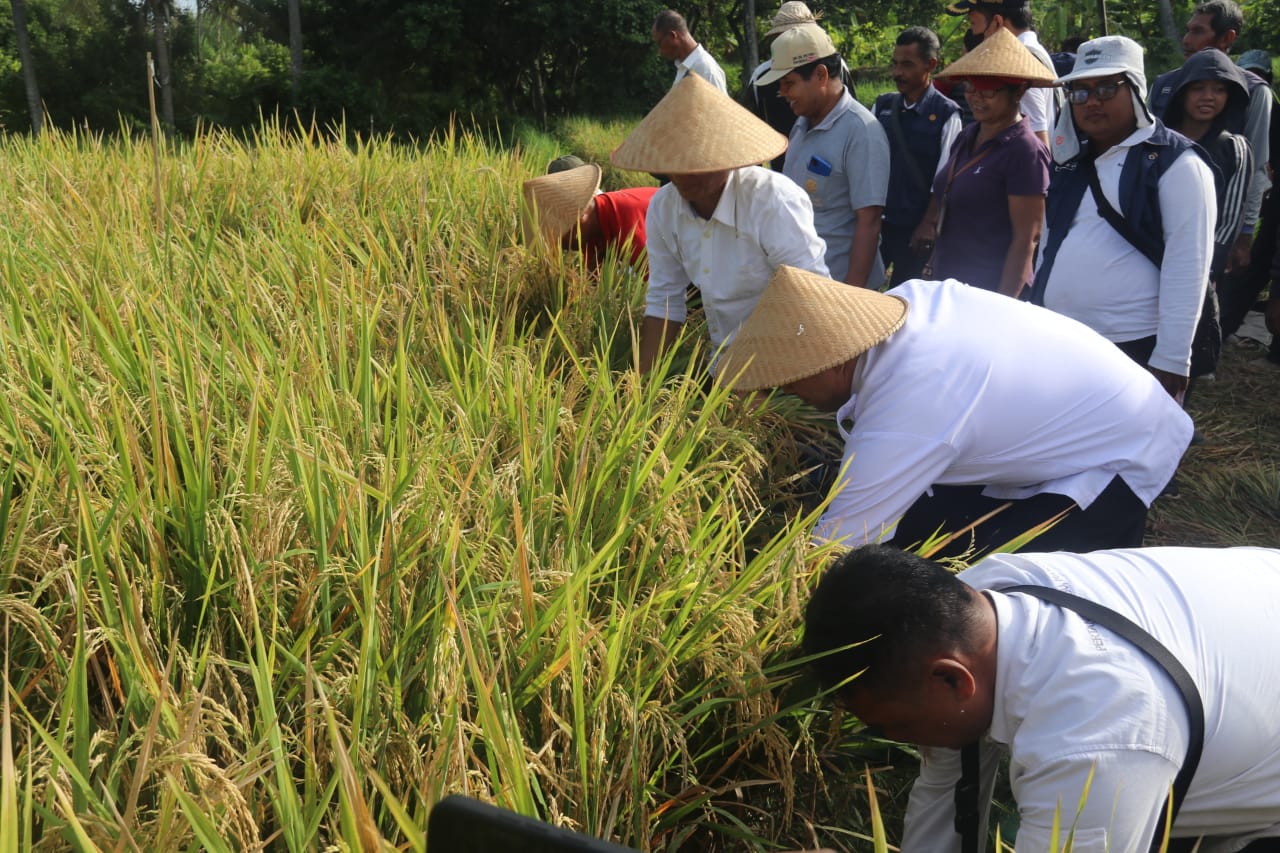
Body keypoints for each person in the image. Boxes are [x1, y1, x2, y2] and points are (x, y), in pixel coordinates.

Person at [802, 544, 1280, 852]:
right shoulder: (986, 596)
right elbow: (947, 791)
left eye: (894, 726)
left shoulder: (1094, 740)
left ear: (951, 680)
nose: (894, 738)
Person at [716, 266, 1191, 555]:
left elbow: (835, 546)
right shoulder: (905, 302)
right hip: (1090, 410)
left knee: (984, 586)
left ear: (831, 358)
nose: (787, 392)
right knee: (916, 525)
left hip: (1119, 455)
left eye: (789, 378)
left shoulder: (914, 401)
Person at [1033, 35, 1216, 400]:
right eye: (1080, 92)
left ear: (1134, 89)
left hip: (1134, 345)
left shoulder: (1177, 164)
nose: (1092, 102)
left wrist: (1172, 358)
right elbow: (1050, 241)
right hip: (1061, 338)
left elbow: (1189, 265)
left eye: (1106, 88)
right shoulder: (1071, 162)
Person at [609, 74, 829, 374]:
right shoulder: (664, 208)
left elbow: (810, 299)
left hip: (792, 365)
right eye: (677, 163)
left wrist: (777, 381)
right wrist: (640, 387)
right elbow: (665, 298)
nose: (687, 174)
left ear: (730, 157)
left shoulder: (772, 200)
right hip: (724, 364)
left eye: (702, 162)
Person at [912, 27, 1052, 297]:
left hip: (988, 292)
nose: (976, 98)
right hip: (949, 284)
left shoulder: (1025, 151)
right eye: (970, 88)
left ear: (1018, 92)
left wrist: (1001, 306)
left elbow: (1027, 240)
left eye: (988, 92)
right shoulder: (967, 135)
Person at [756, 24, 891, 287]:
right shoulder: (802, 123)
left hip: (838, 286)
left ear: (820, 75)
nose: (783, 94)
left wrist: (851, 296)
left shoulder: (861, 131)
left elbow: (870, 220)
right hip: (802, 282)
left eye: (789, 84)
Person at [1149, 0, 1272, 275]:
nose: (1187, 40)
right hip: (1156, 219)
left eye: (1198, 31)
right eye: (1188, 30)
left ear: (1227, 37)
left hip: (1216, 226)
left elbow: (1256, 167)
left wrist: (1243, 234)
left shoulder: (1253, 91)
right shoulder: (1165, 84)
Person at [1161, 49, 1253, 381]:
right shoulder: (1158, 139)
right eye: (1199, 88)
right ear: (1183, 90)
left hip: (1197, 264)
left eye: (1219, 89)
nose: (1208, 97)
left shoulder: (1234, 148)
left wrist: (1207, 271)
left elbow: (1228, 219)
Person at [874, 27, 963, 286]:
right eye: (895, 64)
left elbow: (946, 178)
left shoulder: (947, 114)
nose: (897, 72)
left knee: (906, 299)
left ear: (930, 65)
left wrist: (928, 223)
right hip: (878, 224)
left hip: (916, 229)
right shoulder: (882, 106)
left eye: (907, 65)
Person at [1219, 49, 1280, 364]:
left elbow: (1258, 168)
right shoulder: (1235, 105)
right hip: (1261, 206)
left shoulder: (1266, 104)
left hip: (1265, 202)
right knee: (1247, 272)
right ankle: (1221, 332)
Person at [747, 2, 854, 170]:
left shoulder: (837, 67)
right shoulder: (761, 77)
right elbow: (751, 135)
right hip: (784, 171)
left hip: (830, 170)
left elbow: (849, 114)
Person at [945, 0, 1059, 145]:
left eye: (973, 23)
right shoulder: (1034, 51)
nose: (973, 33)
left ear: (997, 22)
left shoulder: (1017, 63)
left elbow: (1038, 142)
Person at [521, 163, 659, 272]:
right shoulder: (594, 231)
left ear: (580, 217)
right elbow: (595, 283)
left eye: (561, 238)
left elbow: (666, 294)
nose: (564, 248)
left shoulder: (628, 222)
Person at [652, 10, 727, 94]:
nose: (659, 51)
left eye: (659, 43)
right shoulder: (684, 67)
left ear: (673, 36)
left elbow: (721, 107)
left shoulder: (706, 70)